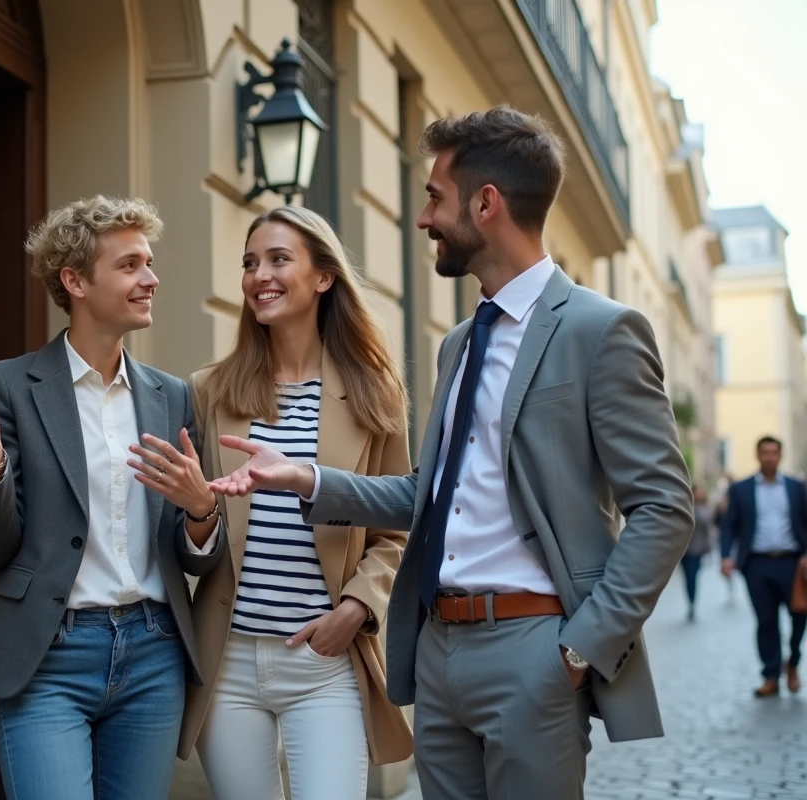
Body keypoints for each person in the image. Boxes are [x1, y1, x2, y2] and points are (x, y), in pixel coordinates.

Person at [209, 106, 693, 800]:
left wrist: (582, 645)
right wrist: (305, 478)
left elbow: (665, 508)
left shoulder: (601, 330)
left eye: (435, 196)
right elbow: (426, 496)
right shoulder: (459, 342)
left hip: (535, 648)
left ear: (486, 203)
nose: (424, 218)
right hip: (438, 653)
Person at [0, 196, 226, 799]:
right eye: (129, 266)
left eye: (148, 263)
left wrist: (202, 510)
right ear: (74, 280)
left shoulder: (170, 397)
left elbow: (194, 556)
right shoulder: (11, 385)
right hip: (48, 655)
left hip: (153, 655)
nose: (150, 279)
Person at [175, 206, 413, 800]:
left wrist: (356, 610)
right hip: (228, 661)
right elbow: (190, 530)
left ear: (324, 276)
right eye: (250, 263)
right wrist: (198, 512)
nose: (260, 275)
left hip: (324, 660)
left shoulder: (373, 394)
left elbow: (398, 524)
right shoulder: (208, 390)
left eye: (279, 259)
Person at [719, 435, 807, 696]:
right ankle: (771, 675)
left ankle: (792, 662)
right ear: (757, 456)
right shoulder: (741, 489)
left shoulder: (796, 487)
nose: (769, 456)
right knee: (766, 621)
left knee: (800, 616)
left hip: (792, 563)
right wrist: (726, 556)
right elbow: (729, 526)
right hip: (756, 565)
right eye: (764, 452)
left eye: (774, 452)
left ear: (780, 456)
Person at [682, 485, 714, 621]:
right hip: (683, 550)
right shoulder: (685, 506)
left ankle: (692, 603)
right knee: (687, 578)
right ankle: (690, 600)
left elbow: (708, 530)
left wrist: (708, 549)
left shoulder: (705, 510)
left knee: (692, 577)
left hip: (697, 550)